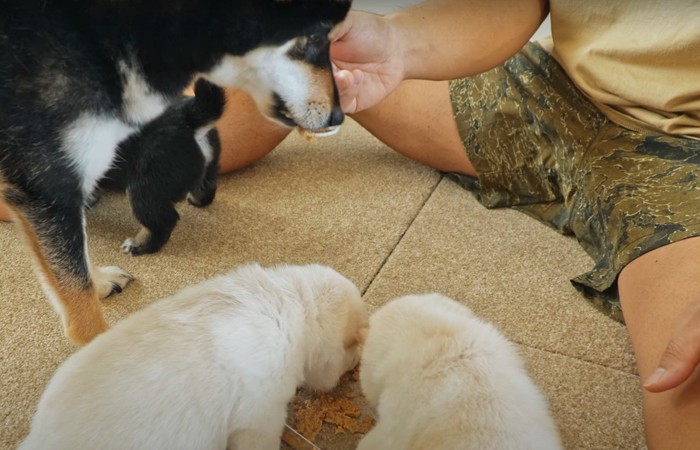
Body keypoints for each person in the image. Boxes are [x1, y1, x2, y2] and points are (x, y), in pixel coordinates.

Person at [1, 0, 699, 447]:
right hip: (557, 89)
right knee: (215, 121)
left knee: (682, 395)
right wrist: (395, 41)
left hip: (683, 151)